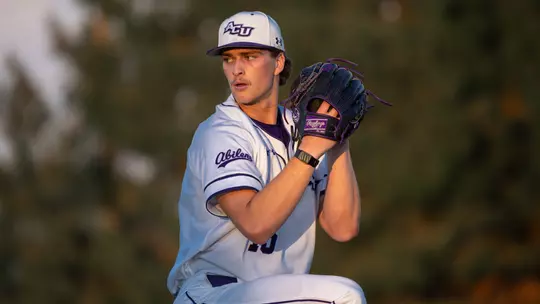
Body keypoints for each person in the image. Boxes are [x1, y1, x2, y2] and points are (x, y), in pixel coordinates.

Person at [167, 10, 366, 304]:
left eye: (249, 56)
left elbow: (343, 227)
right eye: (229, 58)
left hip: (273, 294)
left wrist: (337, 141)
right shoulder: (220, 133)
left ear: (279, 62)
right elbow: (255, 224)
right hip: (214, 293)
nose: (237, 69)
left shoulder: (302, 131)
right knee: (345, 297)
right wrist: (310, 149)